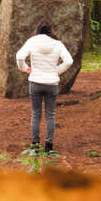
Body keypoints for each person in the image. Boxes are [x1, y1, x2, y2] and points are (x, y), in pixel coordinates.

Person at [16, 20, 73, 153]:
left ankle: (35, 146)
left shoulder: (32, 41)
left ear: (38, 30)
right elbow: (69, 61)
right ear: (50, 30)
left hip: (35, 82)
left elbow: (19, 56)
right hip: (52, 84)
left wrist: (25, 68)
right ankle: (49, 146)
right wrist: (55, 71)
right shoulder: (57, 44)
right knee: (50, 115)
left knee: (36, 114)